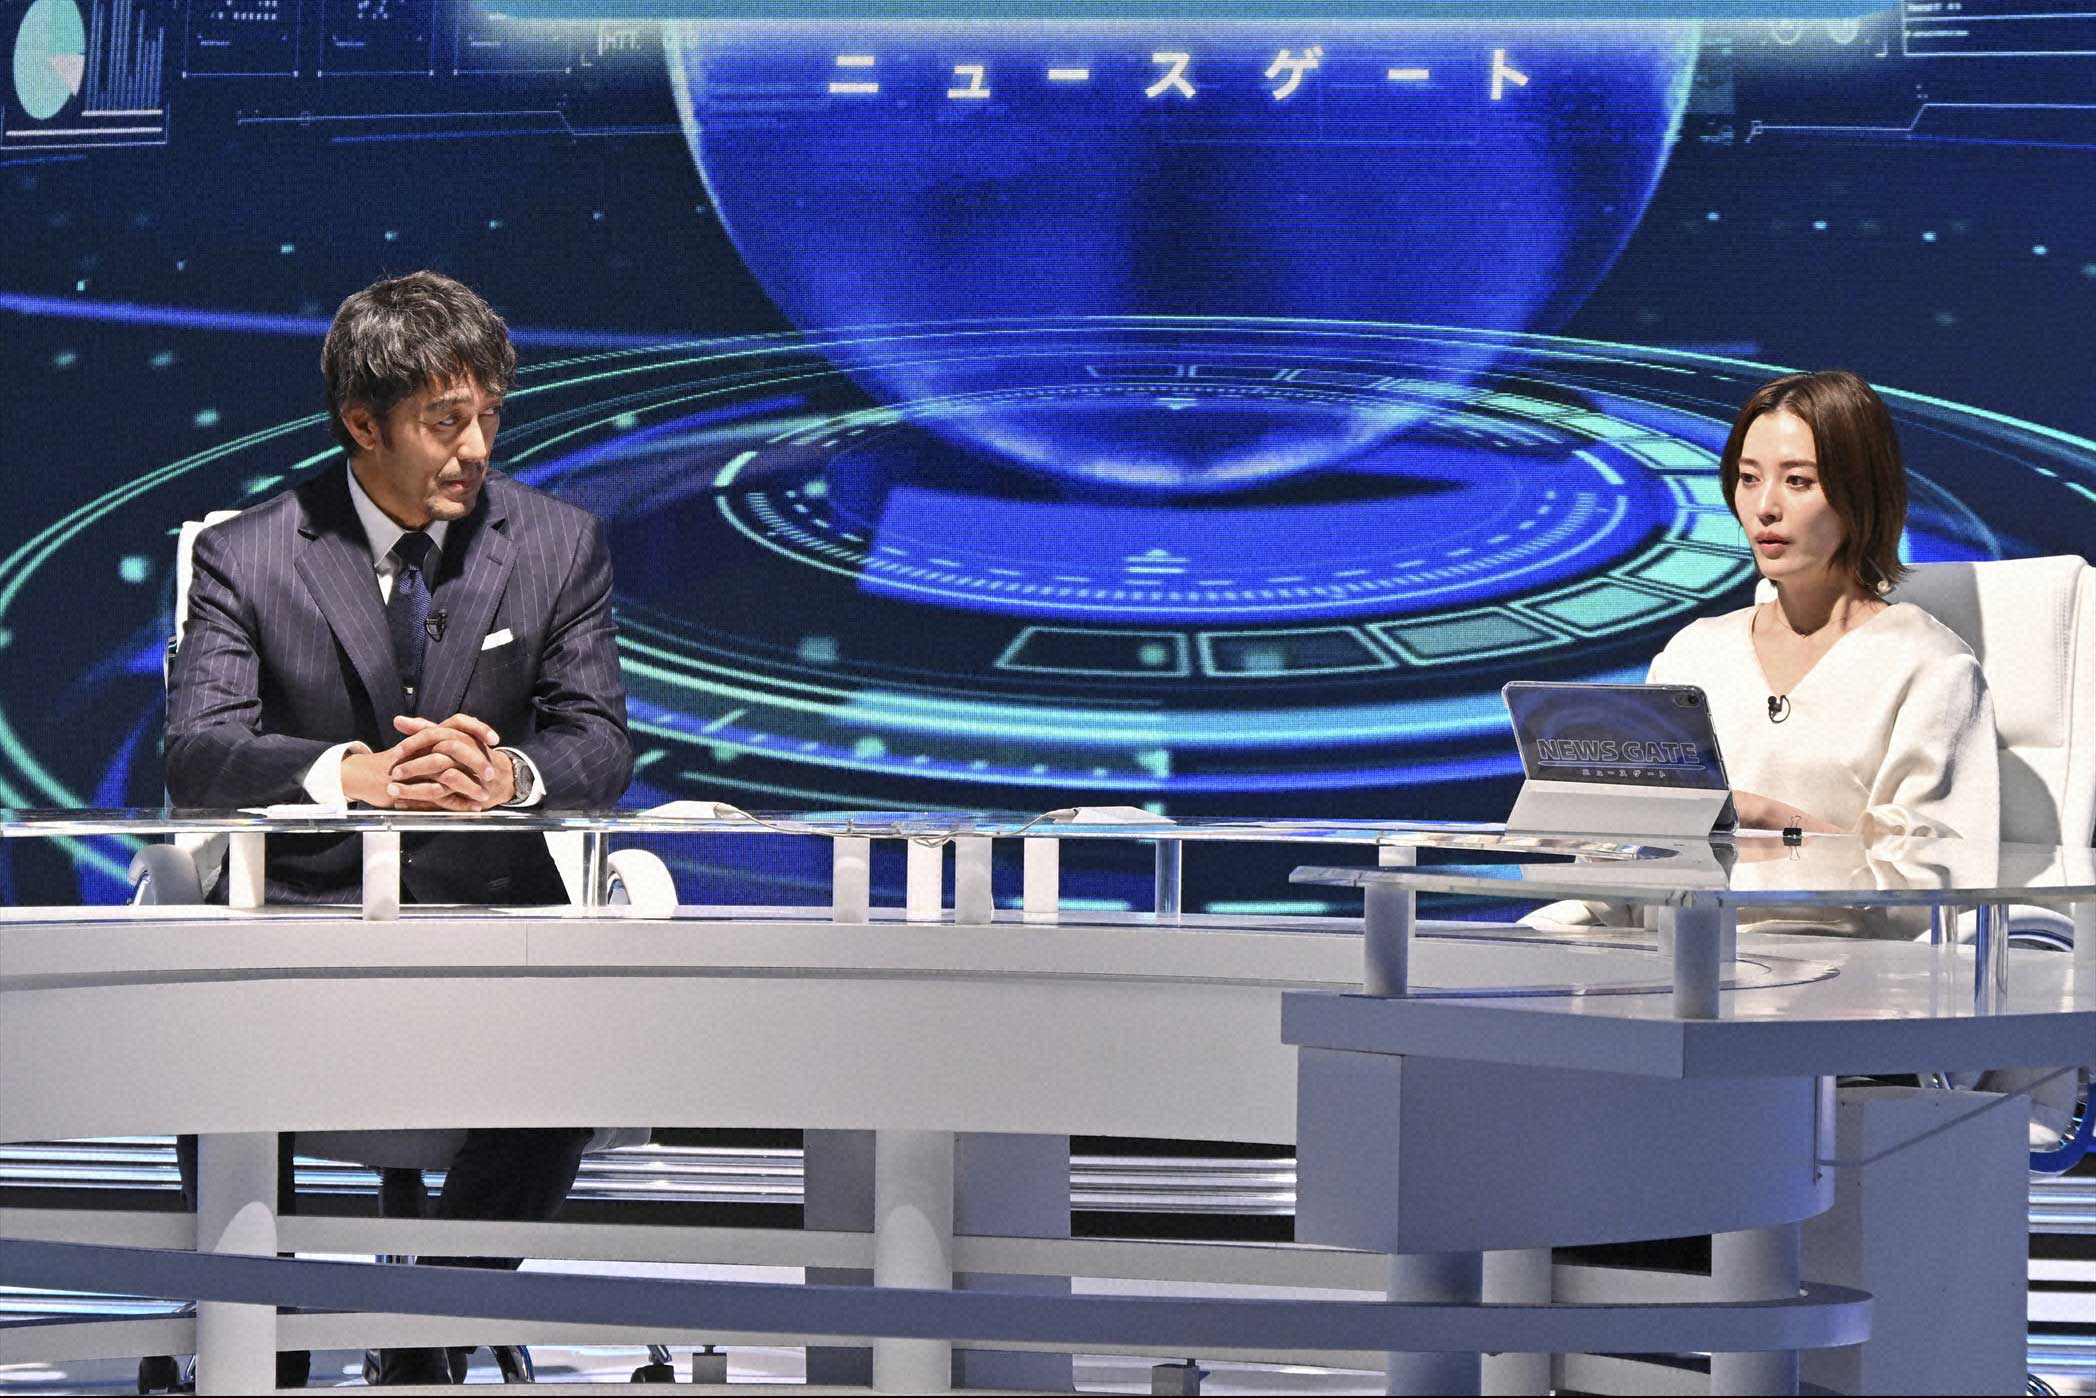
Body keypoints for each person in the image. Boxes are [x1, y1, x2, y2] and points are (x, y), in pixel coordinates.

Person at [165, 270, 634, 1385]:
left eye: (489, 416)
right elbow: (197, 755)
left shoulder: (558, 543)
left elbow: (601, 743)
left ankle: (427, 1339)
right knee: (213, 1049)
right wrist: (351, 774)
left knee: (567, 1068)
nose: (476, 448)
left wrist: (509, 776)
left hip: (490, 919)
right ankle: (263, 1338)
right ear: (362, 424)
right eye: (444, 421)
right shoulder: (250, 554)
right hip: (303, 916)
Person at [1529, 369, 1999, 934]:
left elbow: (1933, 889)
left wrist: (1769, 820)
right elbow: (1640, 859)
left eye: (1798, 481)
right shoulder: (1694, 652)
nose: (1765, 507)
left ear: (1861, 492)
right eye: (1748, 479)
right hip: (1677, 953)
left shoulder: (1929, 666)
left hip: (1834, 967)